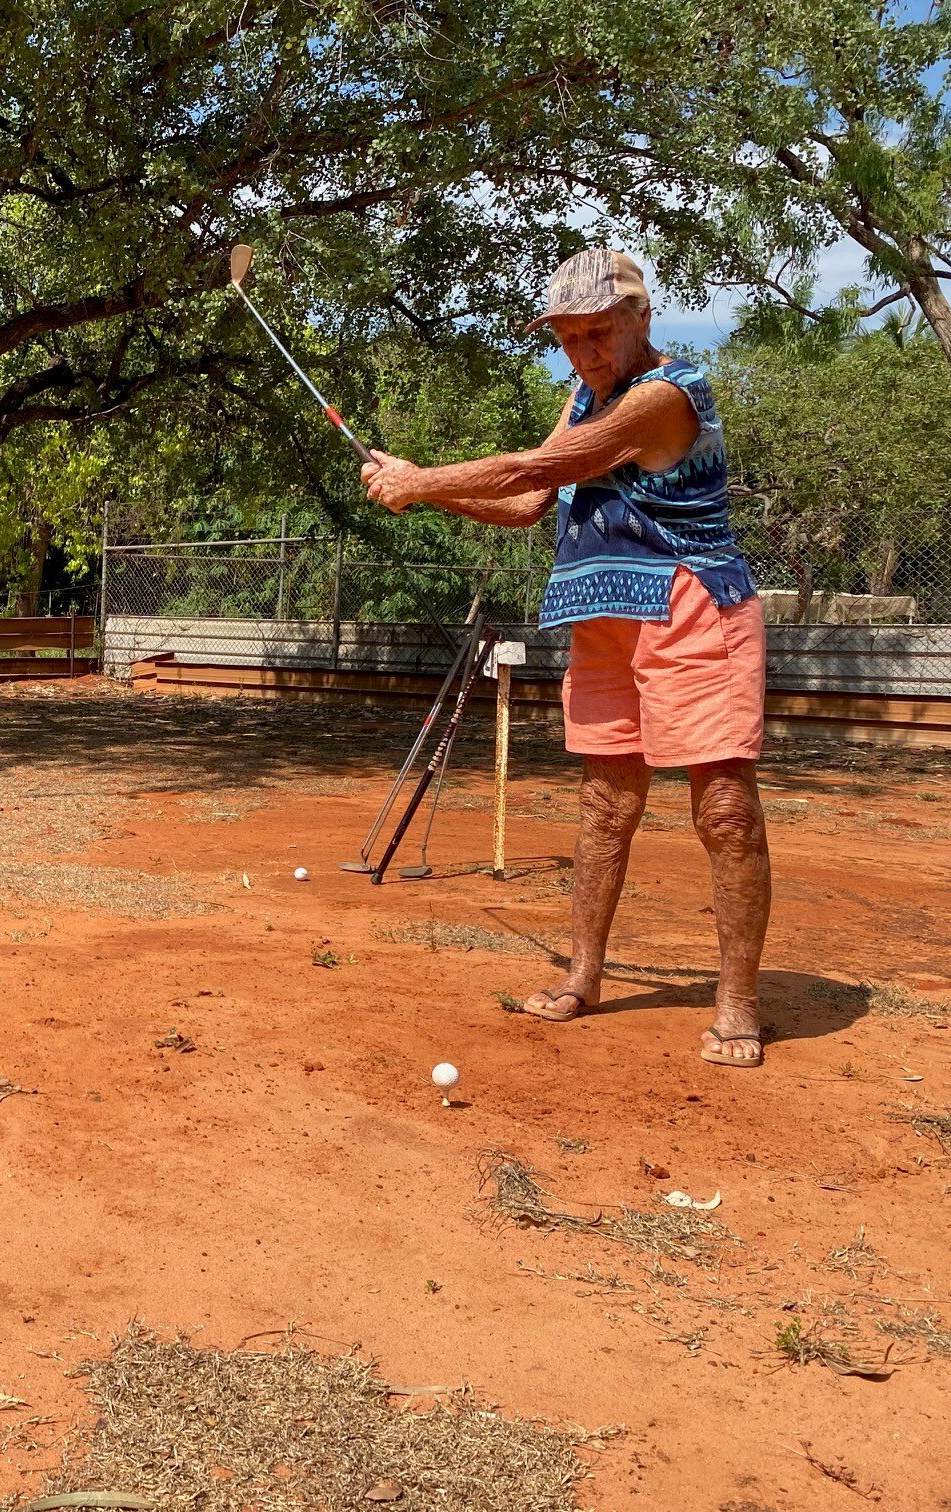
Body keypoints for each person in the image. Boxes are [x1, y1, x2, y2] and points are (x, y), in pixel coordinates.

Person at [362, 249, 770, 1068]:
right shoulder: (584, 392)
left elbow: (547, 465)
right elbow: (523, 503)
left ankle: (738, 1004)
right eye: (568, 338)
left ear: (639, 319)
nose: (583, 353)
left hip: (691, 605)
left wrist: (421, 474)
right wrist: (423, 490)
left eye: (597, 333)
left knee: (722, 809)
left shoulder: (663, 395)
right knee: (603, 806)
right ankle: (583, 976)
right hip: (605, 616)